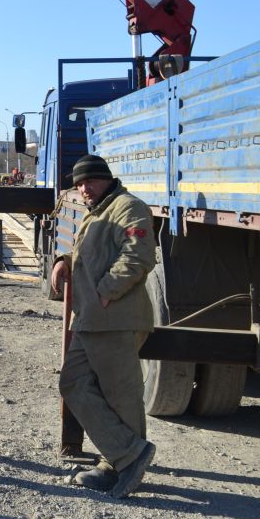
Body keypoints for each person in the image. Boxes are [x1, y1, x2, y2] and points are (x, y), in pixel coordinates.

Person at [51, 154, 157, 498]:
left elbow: (139, 253)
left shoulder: (128, 206)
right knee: (73, 382)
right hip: (91, 319)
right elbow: (95, 253)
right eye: (79, 184)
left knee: (120, 395)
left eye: (90, 181)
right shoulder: (97, 210)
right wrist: (65, 261)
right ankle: (124, 454)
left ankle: (122, 463)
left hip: (115, 319)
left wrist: (107, 291)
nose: (84, 189)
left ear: (107, 179)